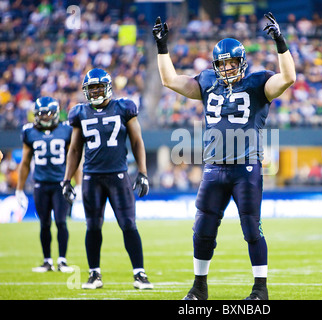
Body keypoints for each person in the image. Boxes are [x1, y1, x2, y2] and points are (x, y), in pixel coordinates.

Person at [153, 12, 295, 300]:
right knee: (202, 230)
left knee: (251, 229)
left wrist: (280, 42)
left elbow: (289, 77)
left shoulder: (257, 83)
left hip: (246, 167)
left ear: (242, 61)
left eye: (231, 62)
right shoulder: (207, 82)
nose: (227, 67)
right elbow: (169, 80)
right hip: (214, 168)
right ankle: (199, 287)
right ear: (215, 65)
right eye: (222, 63)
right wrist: (161, 47)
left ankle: (260, 289)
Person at [62, 68, 152, 290]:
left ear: (108, 87)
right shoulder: (80, 112)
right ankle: (94, 275)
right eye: (91, 88)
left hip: (118, 175)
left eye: (98, 87)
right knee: (92, 226)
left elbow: (137, 141)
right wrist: (67, 180)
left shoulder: (123, 107)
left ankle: (139, 274)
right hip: (91, 177)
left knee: (129, 224)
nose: (94, 92)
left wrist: (143, 172)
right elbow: (74, 150)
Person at [16, 96, 74, 273]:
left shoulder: (66, 130)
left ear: (56, 114)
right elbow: (25, 162)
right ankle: (47, 261)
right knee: (44, 223)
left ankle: (62, 260)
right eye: (41, 114)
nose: (45, 117)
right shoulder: (29, 131)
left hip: (60, 184)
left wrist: (75, 184)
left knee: (61, 222)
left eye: (48, 114)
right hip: (40, 184)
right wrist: (19, 188)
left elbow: (74, 157)